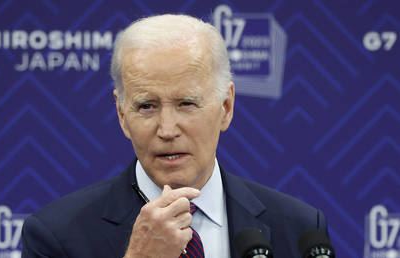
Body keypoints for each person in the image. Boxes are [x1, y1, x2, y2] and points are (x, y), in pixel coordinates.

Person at [21, 14, 328, 258]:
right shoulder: (56, 236)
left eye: (186, 104)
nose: (167, 130)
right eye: (147, 106)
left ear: (226, 107)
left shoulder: (300, 230)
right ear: (121, 114)